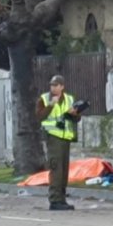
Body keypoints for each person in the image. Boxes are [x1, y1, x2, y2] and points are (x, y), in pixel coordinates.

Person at [36, 75, 81, 211]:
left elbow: (76, 119)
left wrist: (75, 114)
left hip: (65, 138)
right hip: (53, 137)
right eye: (52, 85)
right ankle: (54, 200)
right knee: (56, 169)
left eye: (56, 85)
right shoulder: (44, 99)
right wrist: (50, 105)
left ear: (62, 86)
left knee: (64, 170)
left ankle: (62, 199)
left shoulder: (69, 99)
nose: (53, 88)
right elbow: (39, 116)